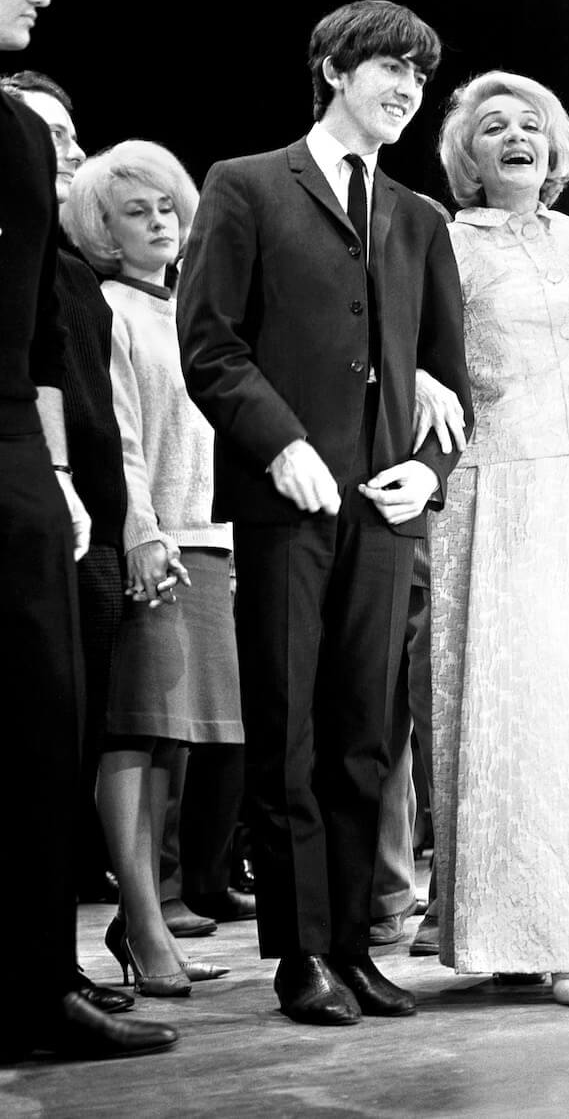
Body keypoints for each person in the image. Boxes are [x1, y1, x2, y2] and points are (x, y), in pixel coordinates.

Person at [178, 0, 473, 1024]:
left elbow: (450, 383)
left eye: (420, 76)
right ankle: (300, 951)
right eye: (390, 66)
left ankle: (354, 941)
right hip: (286, 500)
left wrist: (428, 472)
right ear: (335, 69)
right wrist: (283, 442)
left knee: (365, 735)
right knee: (289, 728)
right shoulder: (247, 185)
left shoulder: (420, 217)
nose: (406, 88)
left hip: (387, 511)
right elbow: (210, 343)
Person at [0, 0, 176, 1061]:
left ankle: (29, 981)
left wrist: (52, 473)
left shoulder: (10, 131)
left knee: (37, 721)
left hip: (14, 451)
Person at [428, 71, 569, 1006]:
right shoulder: (444, 239)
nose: (514, 136)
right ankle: (505, 928)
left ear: (555, 150)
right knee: (512, 701)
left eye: (531, 125)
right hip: (497, 480)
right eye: (492, 126)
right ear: (465, 156)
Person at [64, 140, 239, 997]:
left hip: (210, 536)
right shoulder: (106, 307)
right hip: (154, 537)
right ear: (103, 228)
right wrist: (140, 530)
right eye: (137, 211)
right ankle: (137, 918)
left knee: (175, 739)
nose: (161, 221)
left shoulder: (188, 306)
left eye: (167, 205)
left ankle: (149, 917)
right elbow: (119, 436)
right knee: (135, 732)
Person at [0, 70, 123, 913]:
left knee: (73, 737)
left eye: (71, 135)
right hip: (45, 511)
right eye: (47, 132)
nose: (68, 148)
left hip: (94, 527)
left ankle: (58, 961)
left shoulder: (74, 273)